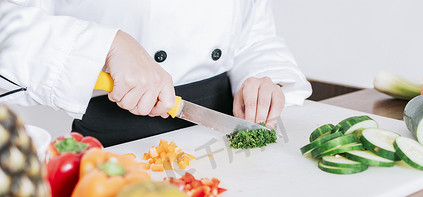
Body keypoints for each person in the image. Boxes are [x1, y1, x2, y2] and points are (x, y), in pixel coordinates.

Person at [0, 0, 312, 147]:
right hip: (95, 133)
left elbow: (253, 33)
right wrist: (105, 45)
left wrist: (262, 77)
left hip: (214, 129)